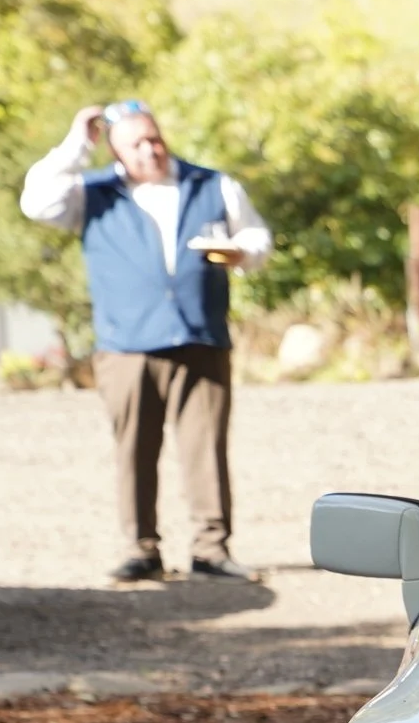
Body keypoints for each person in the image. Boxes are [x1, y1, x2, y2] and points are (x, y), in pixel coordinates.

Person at [21, 101, 272, 582]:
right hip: (126, 344)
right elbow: (35, 203)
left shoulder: (213, 184)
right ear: (115, 151)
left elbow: (258, 237)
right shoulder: (89, 192)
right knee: (134, 449)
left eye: (154, 138)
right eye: (136, 143)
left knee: (206, 448)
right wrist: (76, 143)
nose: (150, 149)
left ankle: (211, 550)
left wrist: (243, 253)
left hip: (201, 334)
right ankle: (142, 548)